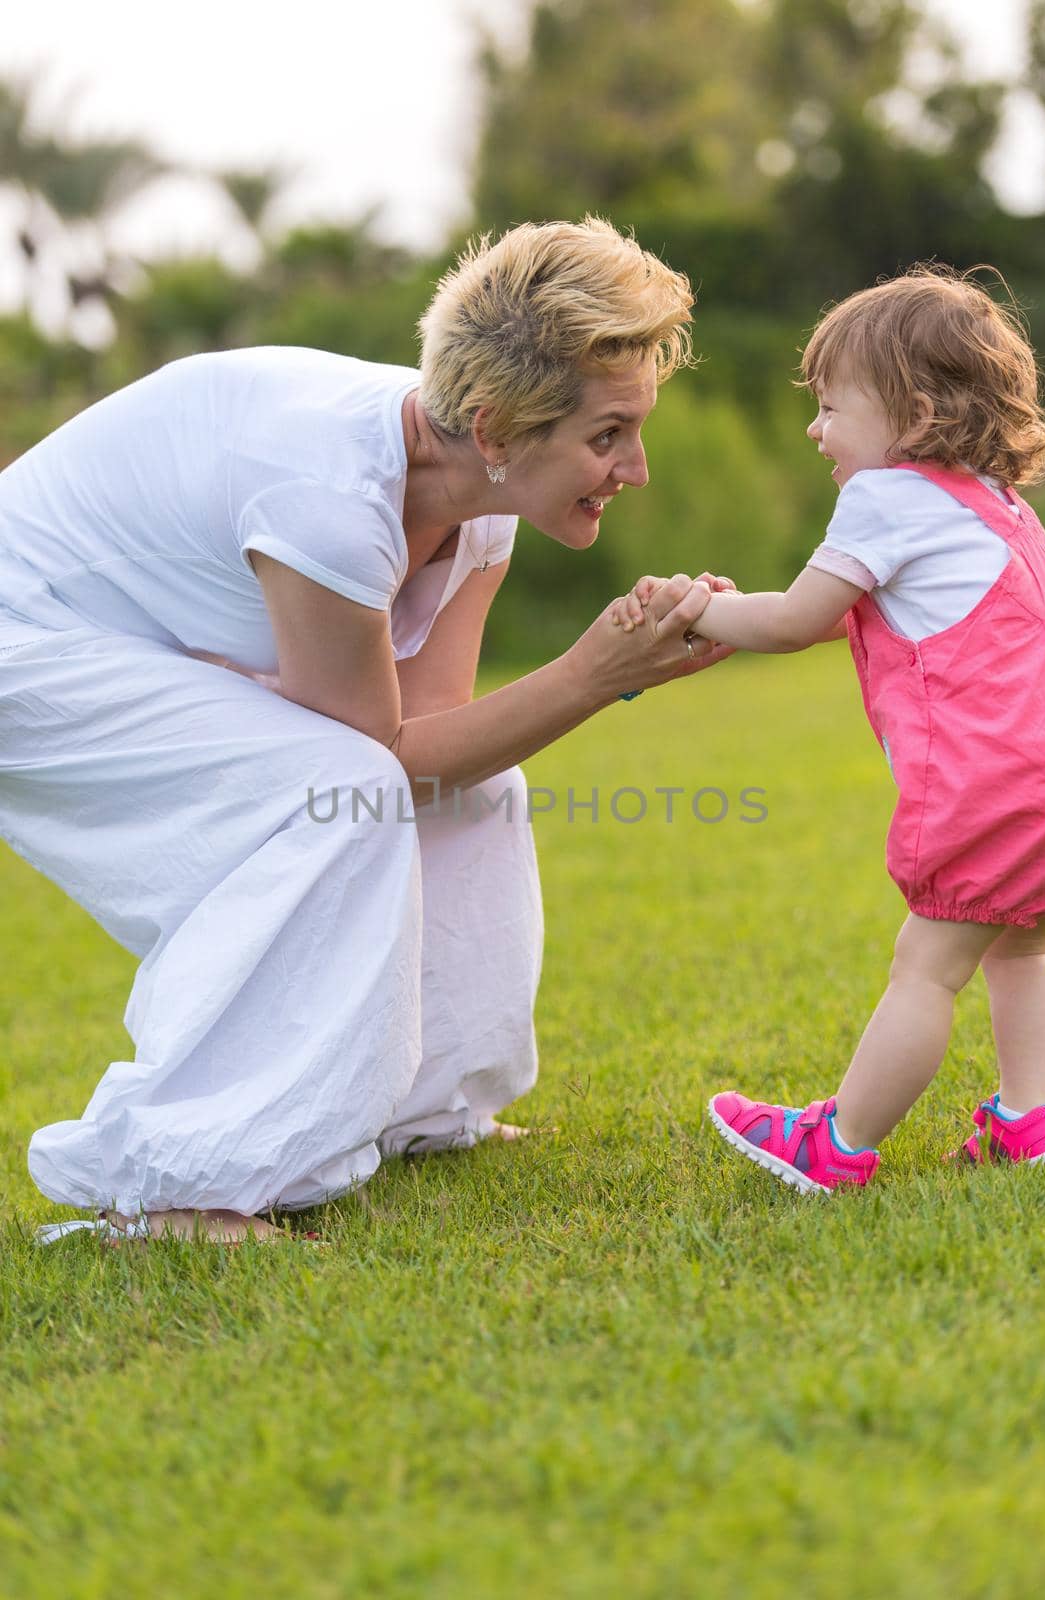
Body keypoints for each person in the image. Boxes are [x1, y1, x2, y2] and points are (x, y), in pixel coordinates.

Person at [1, 217, 726, 1244]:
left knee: (477, 785)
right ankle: (172, 1185)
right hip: (25, 639)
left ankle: (426, 1108)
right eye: (608, 436)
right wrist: (594, 675)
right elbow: (371, 763)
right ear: (496, 430)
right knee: (333, 789)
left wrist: (589, 676)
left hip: (122, 628)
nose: (635, 467)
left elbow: (438, 735)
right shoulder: (330, 495)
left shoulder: (481, 496)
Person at [615, 265, 1045, 1192]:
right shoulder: (998, 504)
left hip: (991, 784)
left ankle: (840, 1145)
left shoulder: (891, 498)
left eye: (831, 406)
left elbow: (791, 623)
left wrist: (695, 608)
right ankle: (1030, 1122)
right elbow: (834, 613)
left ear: (915, 410)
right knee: (1021, 946)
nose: (815, 429)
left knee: (928, 965)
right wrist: (732, 610)